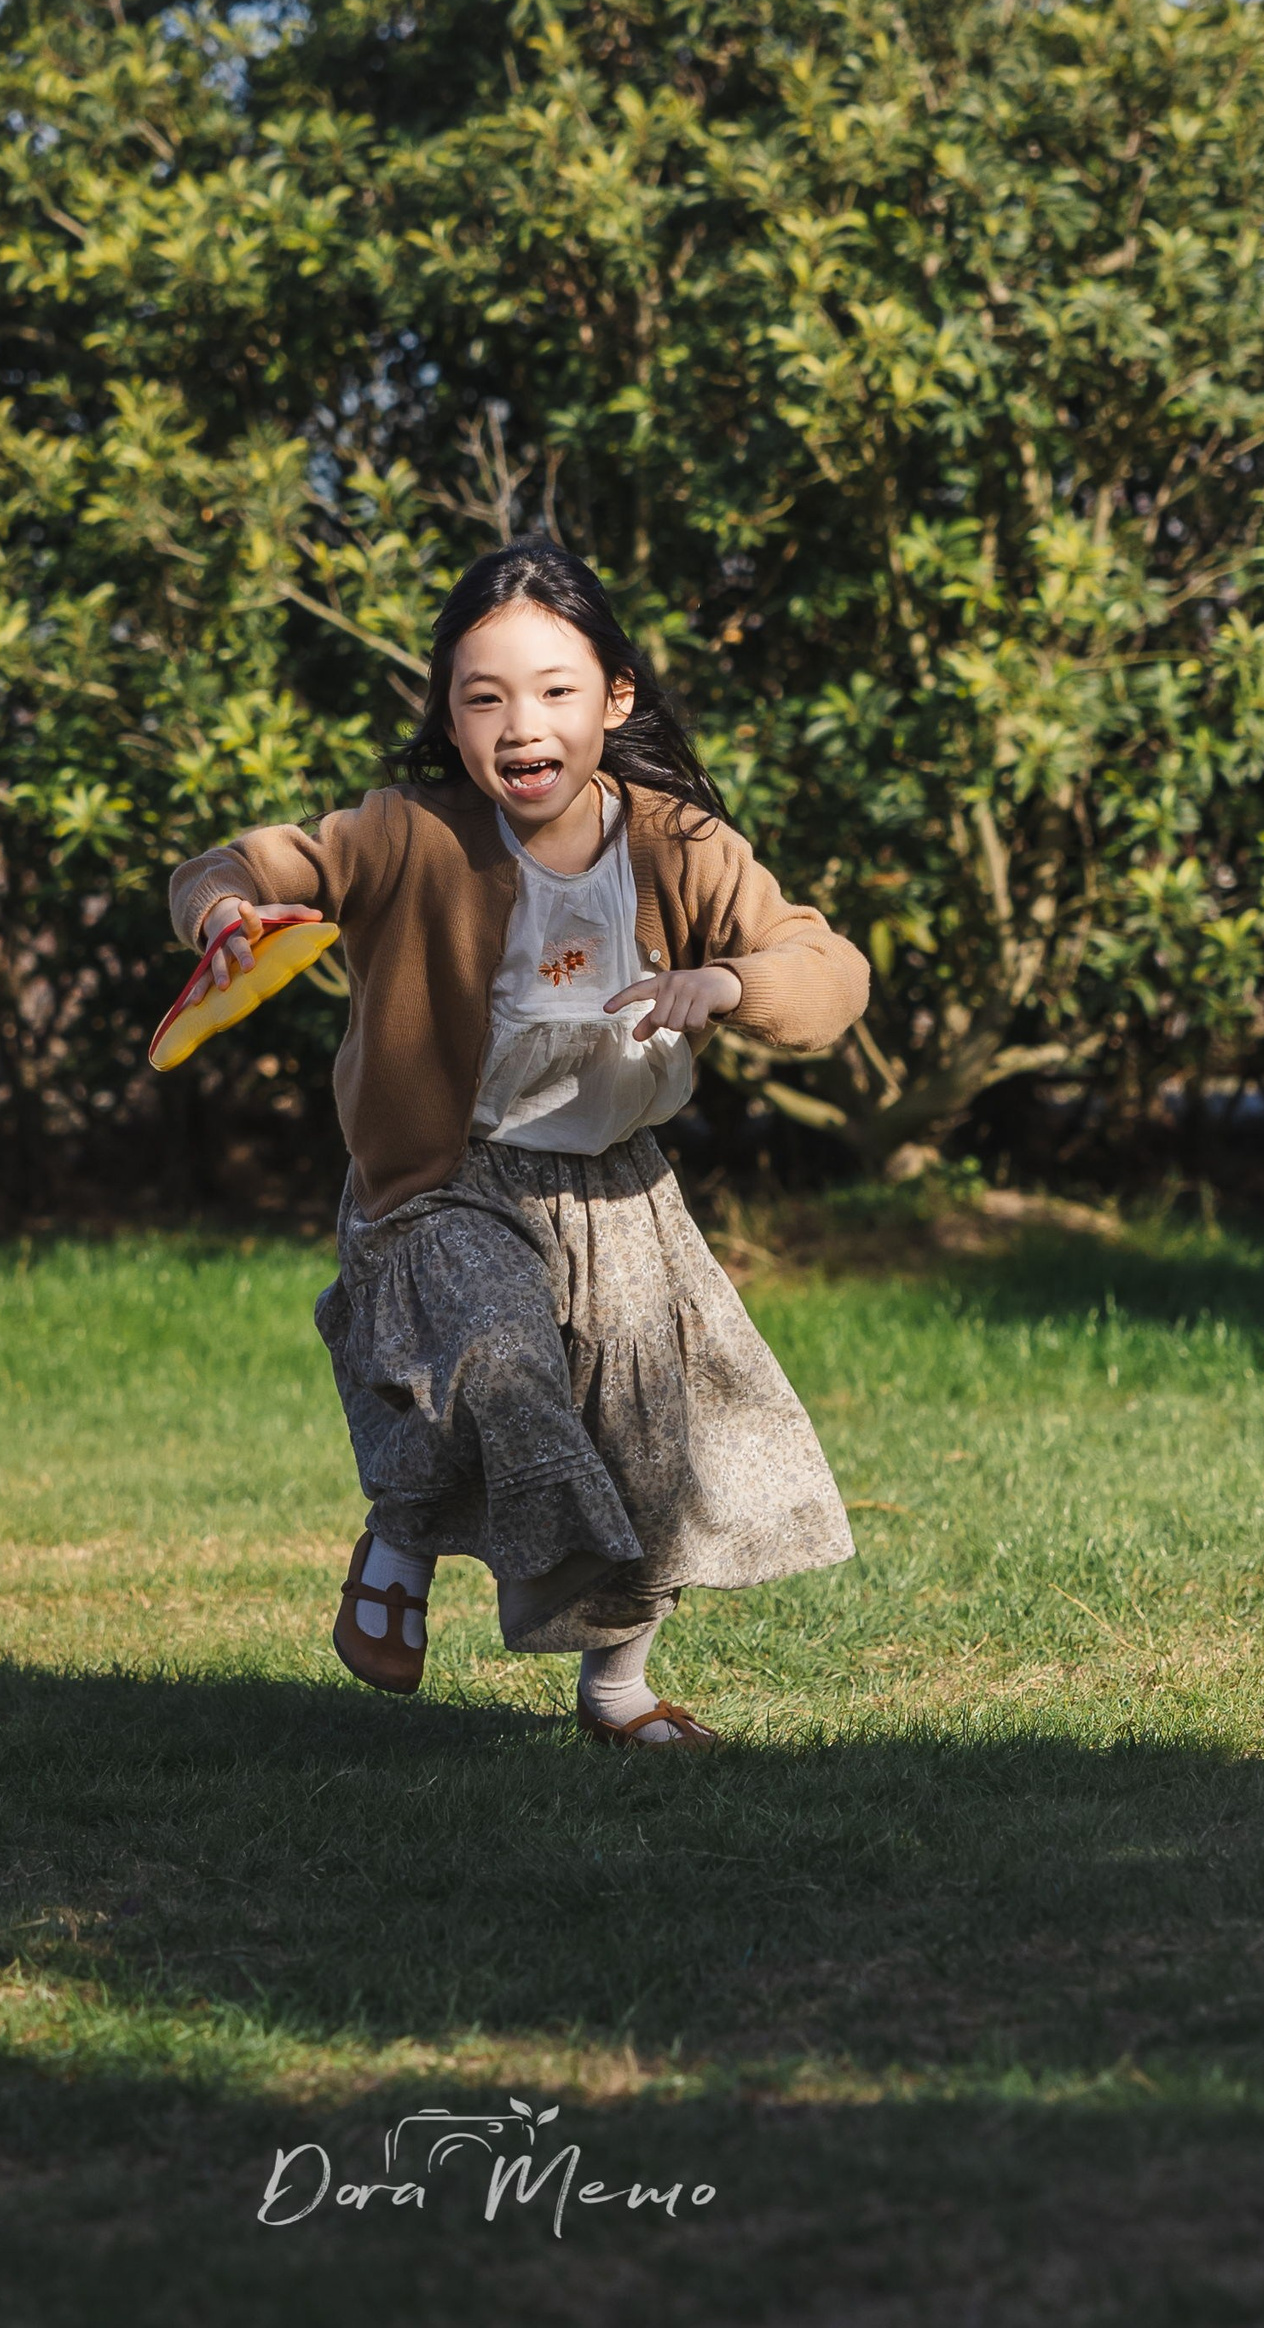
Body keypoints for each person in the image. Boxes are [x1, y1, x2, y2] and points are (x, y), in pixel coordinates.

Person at [166, 539, 867, 1752]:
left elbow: (827, 974)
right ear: (448, 711)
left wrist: (729, 978)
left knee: (648, 1441)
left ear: (615, 699)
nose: (519, 722)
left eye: (553, 688)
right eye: (482, 696)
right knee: (498, 1367)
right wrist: (226, 909)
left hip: (618, 1189)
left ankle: (616, 1693)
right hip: (451, 1177)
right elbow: (239, 861)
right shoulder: (401, 831)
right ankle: (402, 1532)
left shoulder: (677, 842)